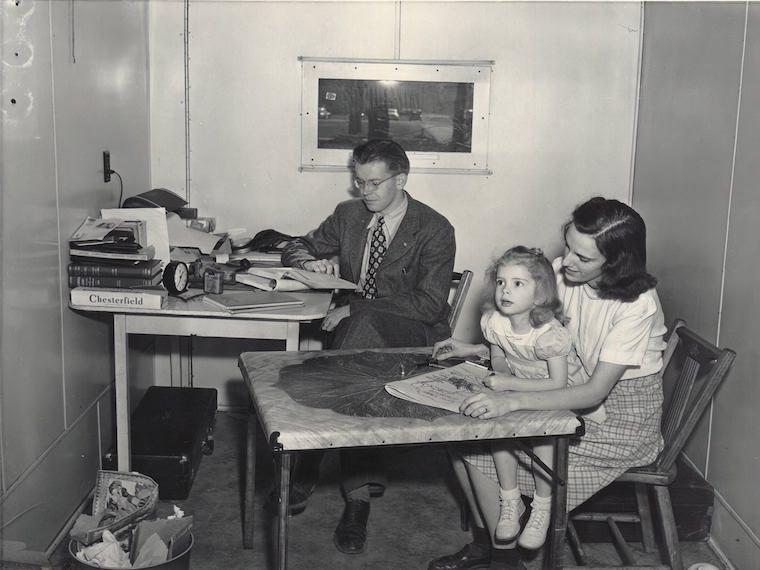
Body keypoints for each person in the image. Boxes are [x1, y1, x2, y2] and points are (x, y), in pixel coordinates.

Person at [428, 197, 667, 570]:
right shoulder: (566, 272)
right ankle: (490, 545)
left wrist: (511, 401)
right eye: (568, 246)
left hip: (618, 418)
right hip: (568, 387)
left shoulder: (637, 305)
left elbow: (594, 392)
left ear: (615, 262)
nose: (565, 261)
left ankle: (503, 560)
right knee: (464, 436)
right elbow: (538, 339)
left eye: (582, 257)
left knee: (480, 450)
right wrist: (477, 348)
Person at [280, 139, 456, 555]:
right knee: (358, 365)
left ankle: (311, 457)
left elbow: (430, 304)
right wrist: (308, 262)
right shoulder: (349, 215)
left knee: (359, 335)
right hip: (356, 336)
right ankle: (357, 496)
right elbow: (295, 246)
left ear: (401, 179)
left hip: (412, 335)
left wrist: (356, 308)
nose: (365, 191)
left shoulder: (434, 228)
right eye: (359, 182)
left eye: (375, 183)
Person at [475, 246, 587, 550]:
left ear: (539, 295)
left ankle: (542, 506)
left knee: (542, 433)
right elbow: (498, 355)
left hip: (559, 394)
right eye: (501, 282)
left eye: (517, 283)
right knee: (498, 428)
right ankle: (509, 500)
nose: (505, 290)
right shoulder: (494, 321)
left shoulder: (548, 333)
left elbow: (558, 383)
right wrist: (501, 376)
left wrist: (509, 383)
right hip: (522, 387)